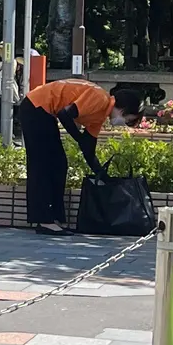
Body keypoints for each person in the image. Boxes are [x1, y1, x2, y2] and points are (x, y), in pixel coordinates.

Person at [18, 79, 143, 234]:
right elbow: (65, 114)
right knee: (44, 164)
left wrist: (102, 174)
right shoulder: (100, 99)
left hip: (43, 111)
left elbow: (88, 149)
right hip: (35, 107)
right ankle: (45, 220)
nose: (123, 123)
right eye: (128, 119)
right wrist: (78, 137)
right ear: (123, 109)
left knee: (58, 164)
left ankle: (52, 217)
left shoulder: (99, 116)